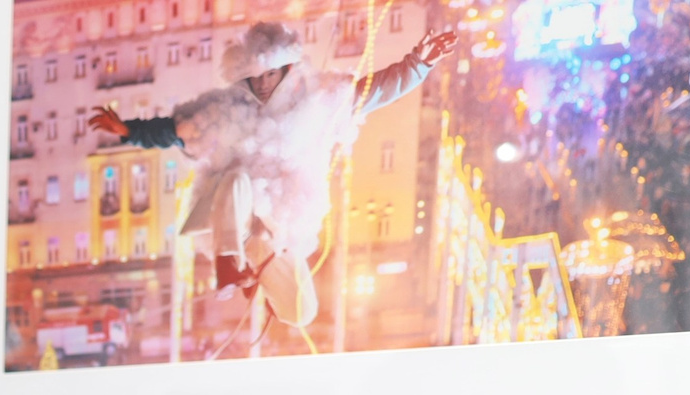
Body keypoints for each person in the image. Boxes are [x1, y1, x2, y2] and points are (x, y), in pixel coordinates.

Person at [90, 19, 457, 327]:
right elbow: (176, 129)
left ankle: (257, 281)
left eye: (270, 74)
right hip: (239, 224)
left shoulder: (319, 102)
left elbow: (373, 91)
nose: (263, 83)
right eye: (255, 77)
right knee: (235, 180)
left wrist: (417, 63)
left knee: (302, 312)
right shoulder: (225, 109)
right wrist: (128, 131)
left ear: (287, 70)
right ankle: (229, 265)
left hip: (282, 227)